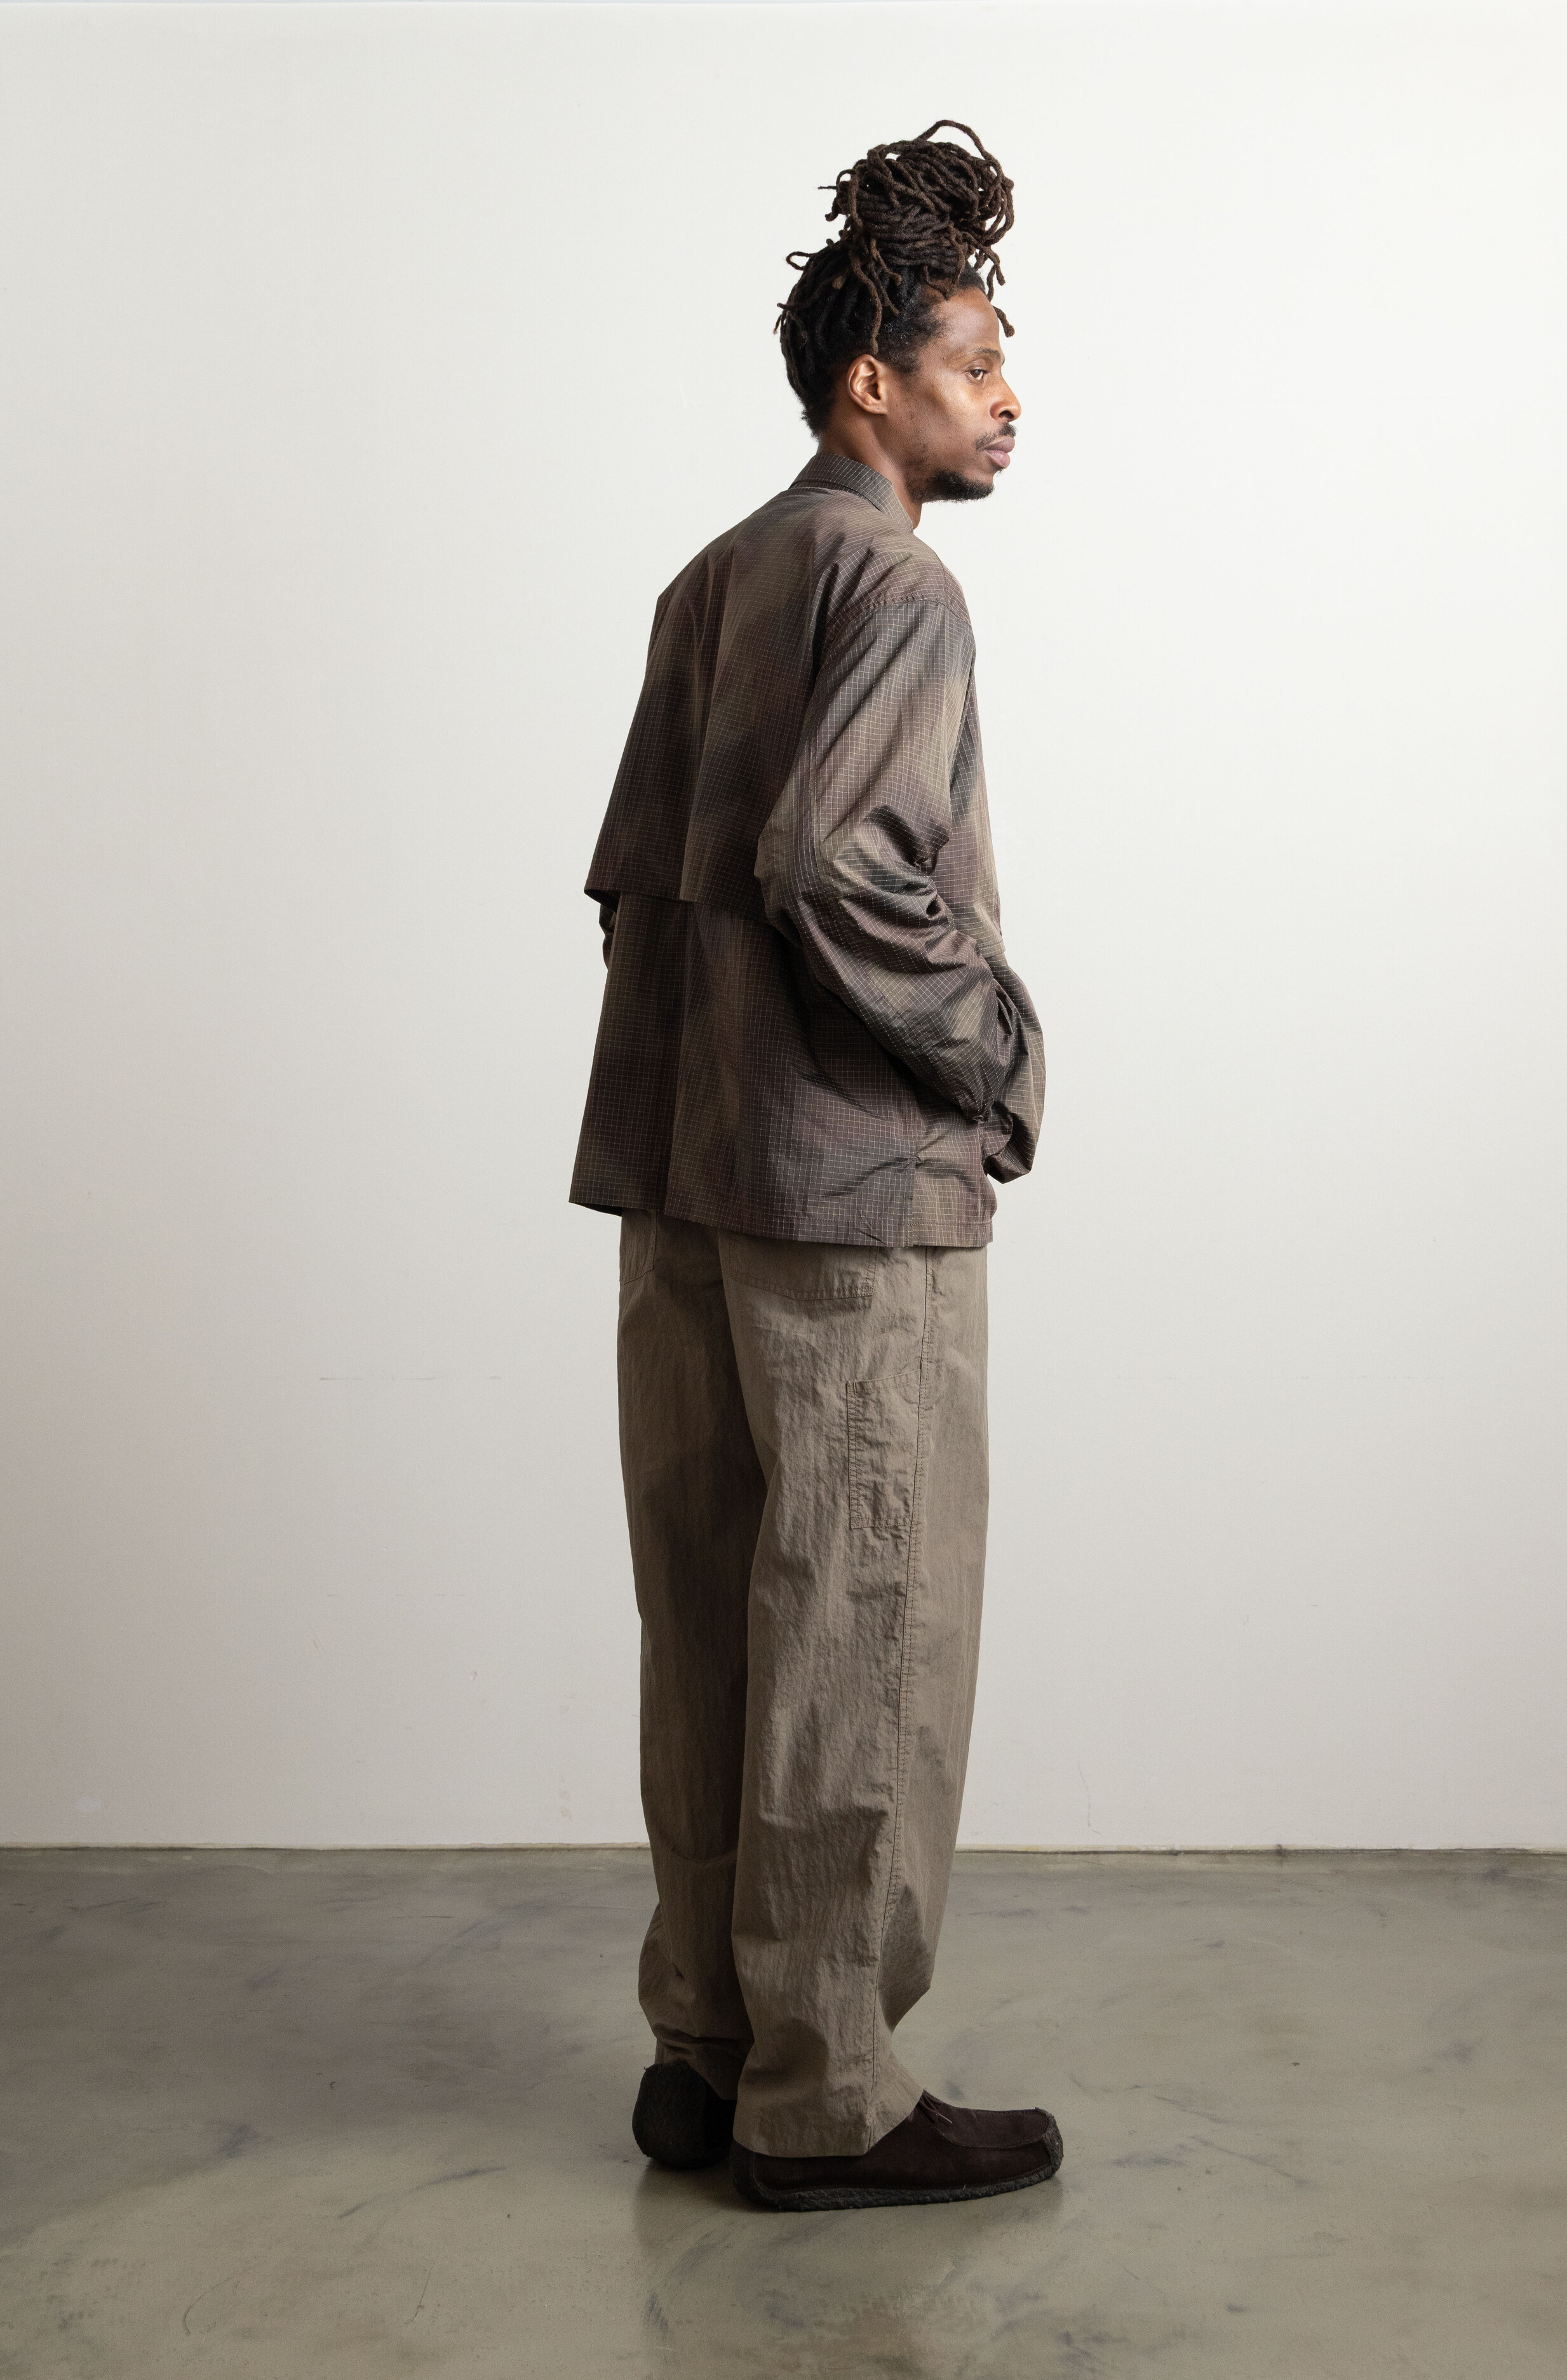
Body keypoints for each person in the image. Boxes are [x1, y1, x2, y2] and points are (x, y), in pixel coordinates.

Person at [569, 123, 1056, 2212]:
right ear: (874, 382)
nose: (1008, 396)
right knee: (858, 1617)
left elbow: (629, 885)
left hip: (684, 1182)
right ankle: (828, 2092)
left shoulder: (713, 578)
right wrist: (999, 1053)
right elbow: (836, 863)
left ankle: (705, 2050)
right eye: (975, 361)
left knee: (709, 1618)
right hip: (848, 1202)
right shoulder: (894, 582)